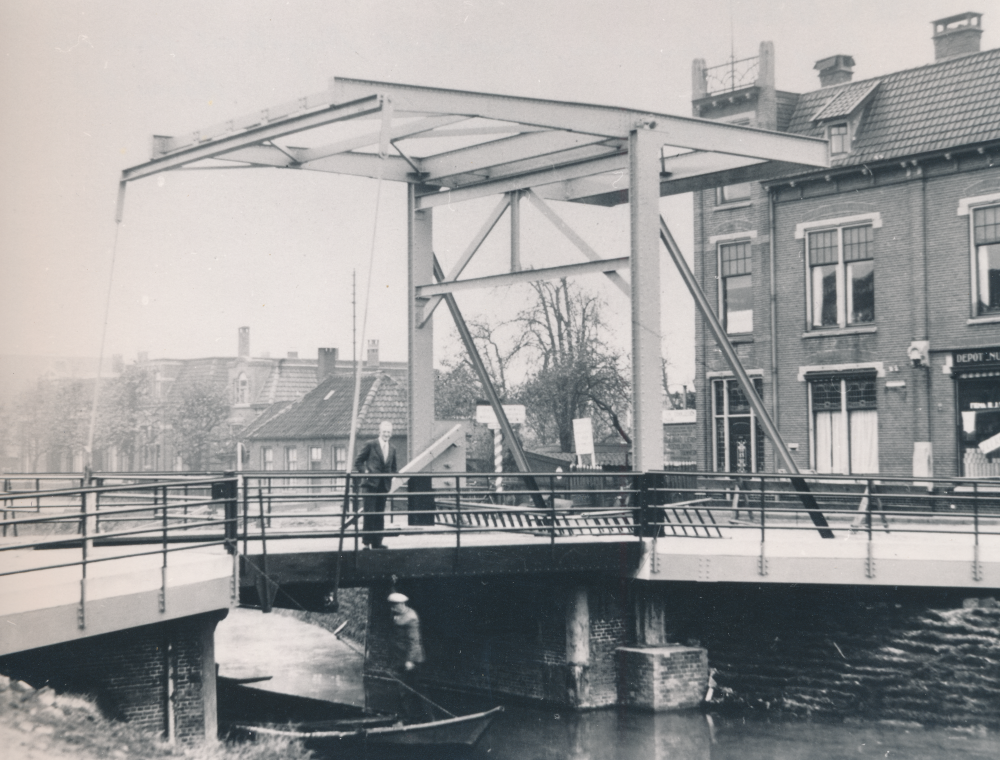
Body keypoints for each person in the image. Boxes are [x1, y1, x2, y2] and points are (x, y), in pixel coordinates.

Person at [388, 592, 432, 722]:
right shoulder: (398, 612)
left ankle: (423, 719)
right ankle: (409, 717)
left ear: (401, 605)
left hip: (412, 660)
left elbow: (414, 641)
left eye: (394, 607)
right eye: (391, 606)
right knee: (405, 689)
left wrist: (410, 661)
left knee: (412, 690)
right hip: (401, 658)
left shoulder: (411, 618)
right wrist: (393, 584)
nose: (392, 609)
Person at [353, 420, 397, 548]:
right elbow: (358, 461)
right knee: (369, 514)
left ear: (391, 433)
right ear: (380, 432)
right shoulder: (370, 444)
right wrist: (365, 472)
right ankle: (366, 543)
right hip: (370, 485)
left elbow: (394, 467)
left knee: (379, 514)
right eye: (384, 432)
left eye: (389, 432)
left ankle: (377, 543)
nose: (386, 434)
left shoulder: (393, 448)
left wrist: (390, 477)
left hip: (383, 486)